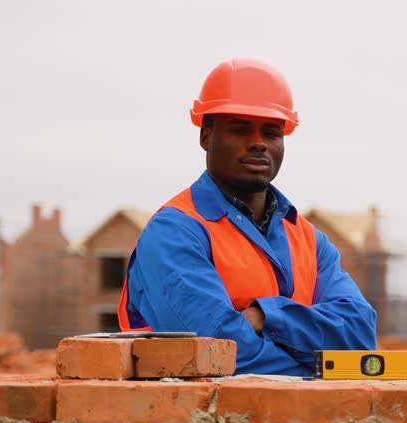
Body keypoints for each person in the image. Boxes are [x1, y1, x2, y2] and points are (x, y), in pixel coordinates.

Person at [117, 58, 377, 376]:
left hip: (304, 420)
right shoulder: (175, 232)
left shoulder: (309, 239)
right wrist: (321, 366)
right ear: (205, 138)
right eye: (239, 130)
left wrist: (265, 317)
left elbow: (360, 337)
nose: (258, 143)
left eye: (271, 132)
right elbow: (215, 354)